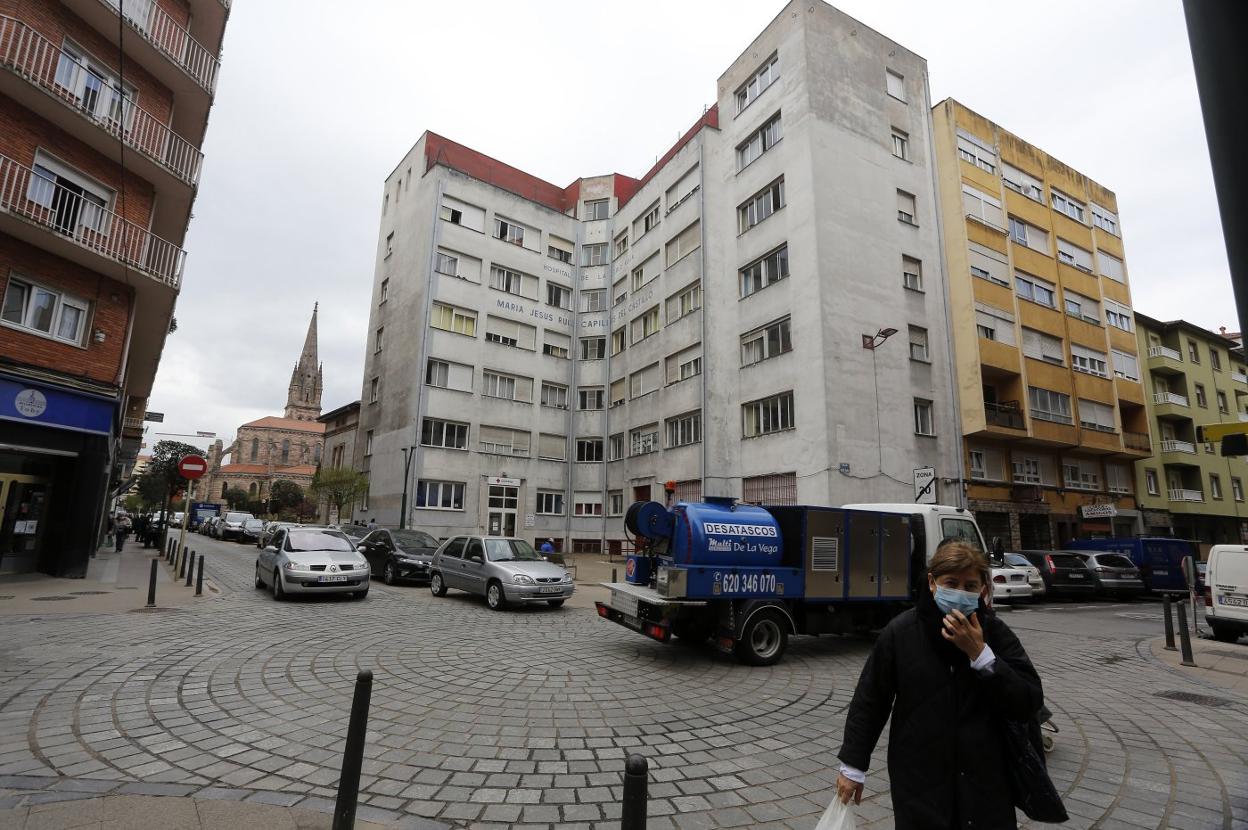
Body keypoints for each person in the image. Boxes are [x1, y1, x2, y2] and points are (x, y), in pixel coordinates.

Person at [836, 540, 1042, 829]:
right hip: (919, 779)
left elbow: (1028, 701)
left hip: (985, 780)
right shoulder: (902, 632)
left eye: (970, 586)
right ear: (932, 583)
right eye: (951, 583)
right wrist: (853, 766)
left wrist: (981, 655)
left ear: (983, 589)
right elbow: (871, 699)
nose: (960, 593)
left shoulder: (995, 633)